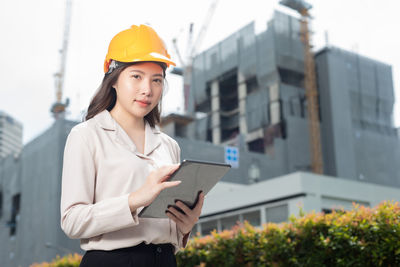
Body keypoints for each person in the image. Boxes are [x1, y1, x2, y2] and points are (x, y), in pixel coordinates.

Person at [60, 24, 204, 267]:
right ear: (113, 78)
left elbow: (167, 231)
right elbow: (72, 221)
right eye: (136, 76)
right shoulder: (86, 136)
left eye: (156, 80)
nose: (147, 90)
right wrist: (136, 199)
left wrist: (185, 226)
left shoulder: (169, 145)